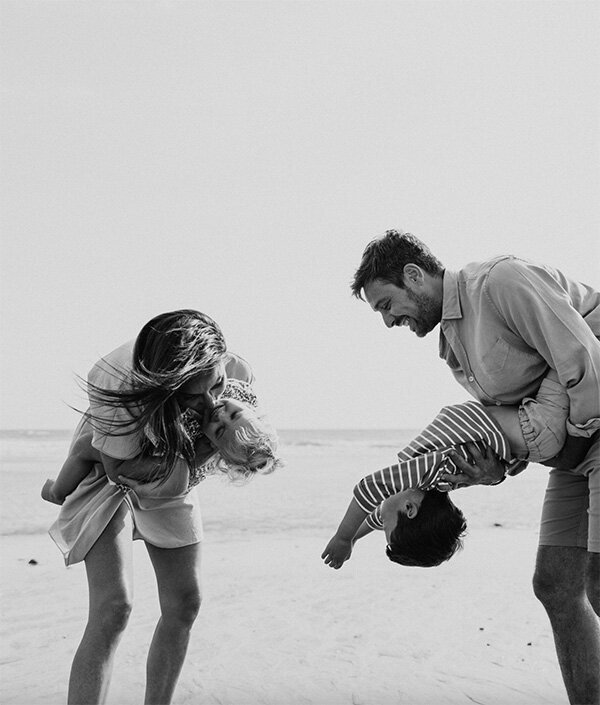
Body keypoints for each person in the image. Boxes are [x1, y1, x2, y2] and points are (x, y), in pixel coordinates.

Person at [347, 230, 600, 705]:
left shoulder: (501, 282)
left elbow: (581, 355)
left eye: (385, 304)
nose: (387, 322)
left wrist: (577, 441)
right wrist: (494, 472)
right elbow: (510, 420)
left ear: (413, 275)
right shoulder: (450, 341)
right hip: (571, 446)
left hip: (593, 423)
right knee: (554, 585)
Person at [45, 309, 280, 705]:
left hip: (176, 464)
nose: (211, 404)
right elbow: (119, 470)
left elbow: (245, 435)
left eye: (216, 385)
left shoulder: (232, 372)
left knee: (185, 602)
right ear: (168, 387)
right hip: (113, 460)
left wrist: (219, 448)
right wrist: (191, 456)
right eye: (194, 395)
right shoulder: (114, 383)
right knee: (113, 608)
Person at [322, 370, 570, 568]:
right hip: (535, 427)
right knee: (567, 356)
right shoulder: (431, 474)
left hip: (533, 432)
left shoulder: (435, 482)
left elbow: (375, 516)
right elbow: (369, 488)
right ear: (410, 509)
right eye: (387, 526)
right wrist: (342, 537)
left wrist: (353, 538)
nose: (379, 518)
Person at [41, 378, 281, 506]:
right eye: (235, 414)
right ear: (252, 410)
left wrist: (141, 481)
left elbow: (177, 483)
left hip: (154, 451)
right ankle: (60, 489)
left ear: (216, 448)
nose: (220, 415)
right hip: (141, 425)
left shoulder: (195, 445)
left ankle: (56, 492)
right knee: (88, 443)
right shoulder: (241, 392)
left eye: (218, 430)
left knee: (88, 446)